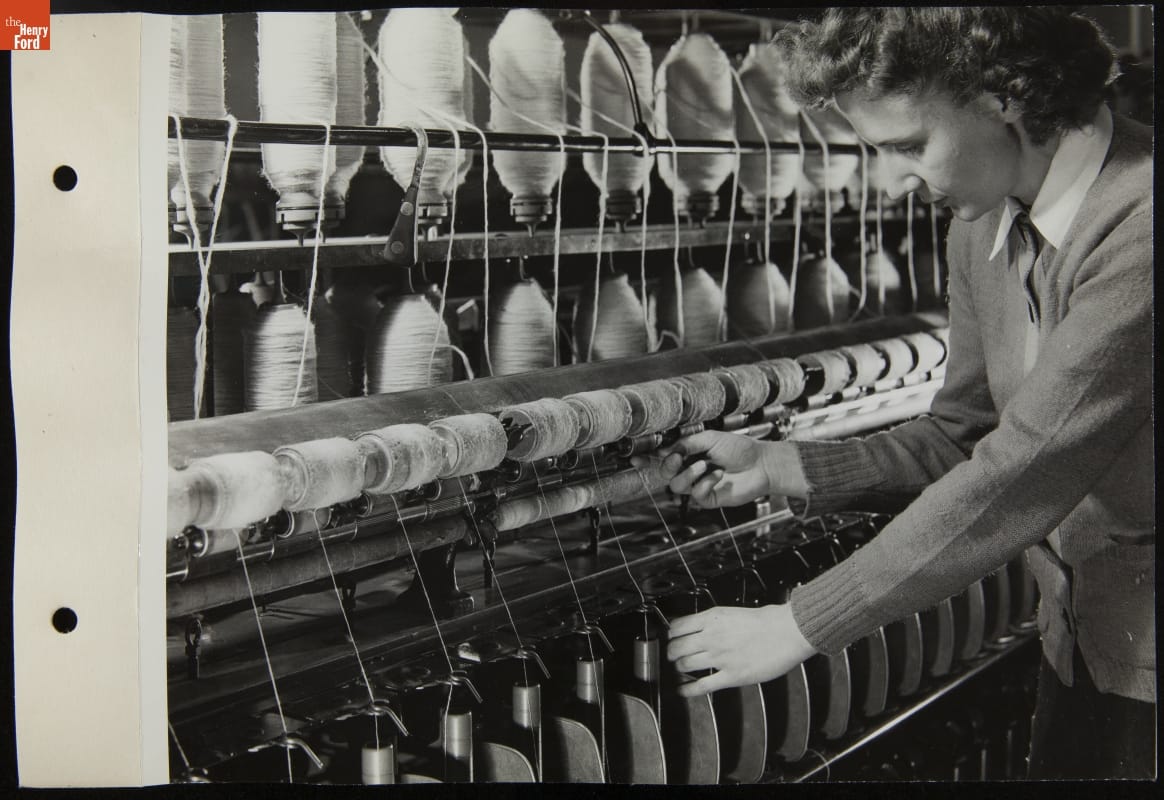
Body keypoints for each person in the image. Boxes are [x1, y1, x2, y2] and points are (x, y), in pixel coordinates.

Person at [638, 7, 1154, 780]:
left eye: (910, 146)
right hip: (1081, 646)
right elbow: (962, 436)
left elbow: (1026, 466)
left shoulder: (1141, 225)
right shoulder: (982, 226)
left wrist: (803, 624)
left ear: (1002, 98)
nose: (894, 178)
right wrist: (784, 466)